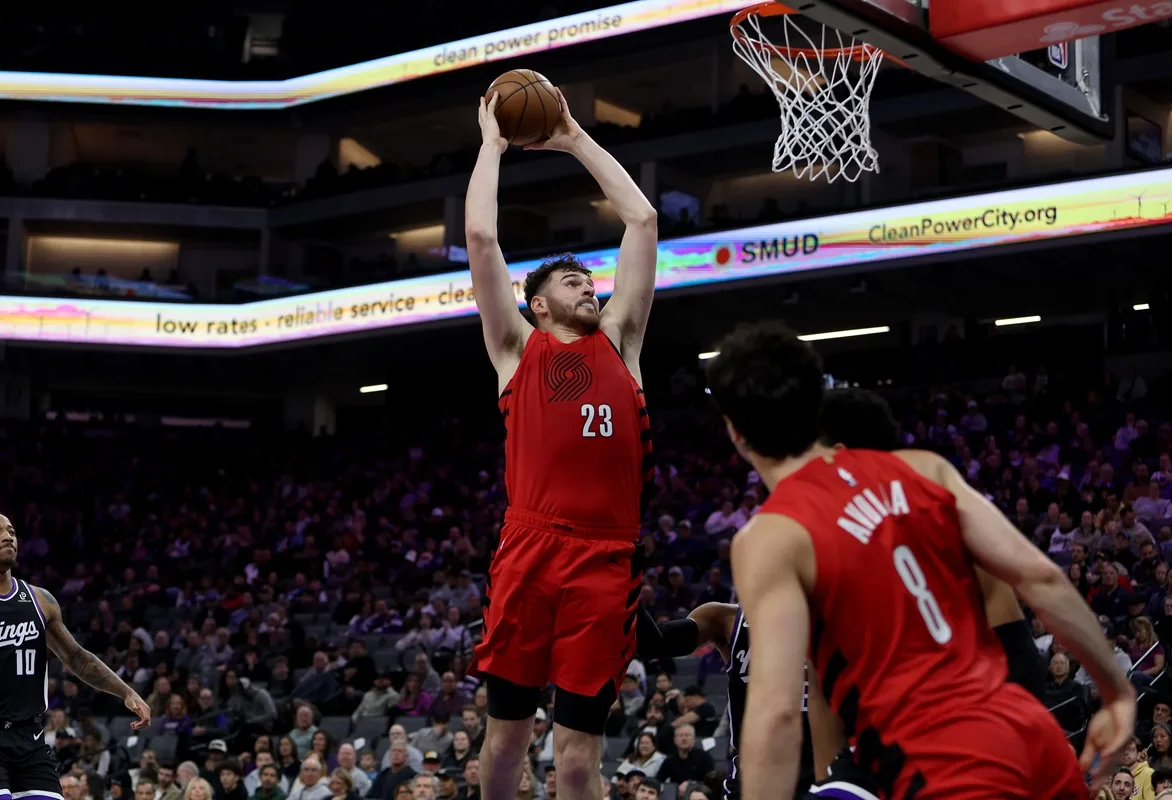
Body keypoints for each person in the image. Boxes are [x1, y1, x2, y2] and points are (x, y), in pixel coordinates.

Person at [704, 321, 1135, 799]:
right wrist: (1116, 691)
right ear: (814, 400)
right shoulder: (924, 467)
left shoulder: (771, 536)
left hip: (942, 766)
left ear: (735, 432)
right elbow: (1043, 576)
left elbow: (778, 713)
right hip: (1031, 736)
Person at [466, 82, 658, 800]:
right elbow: (482, 239)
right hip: (529, 548)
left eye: (592, 280)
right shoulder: (515, 350)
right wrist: (491, 145)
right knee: (507, 739)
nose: (591, 288)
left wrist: (575, 137)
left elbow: (640, 220)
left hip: (607, 557)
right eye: (574, 282)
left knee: (578, 761)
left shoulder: (622, 344)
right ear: (539, 303)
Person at [0, 511, 151, 800]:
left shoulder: (40, 600)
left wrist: (126, 692)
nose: (7, 536)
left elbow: (76, 658)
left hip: (29, 739)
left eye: (11, 531)